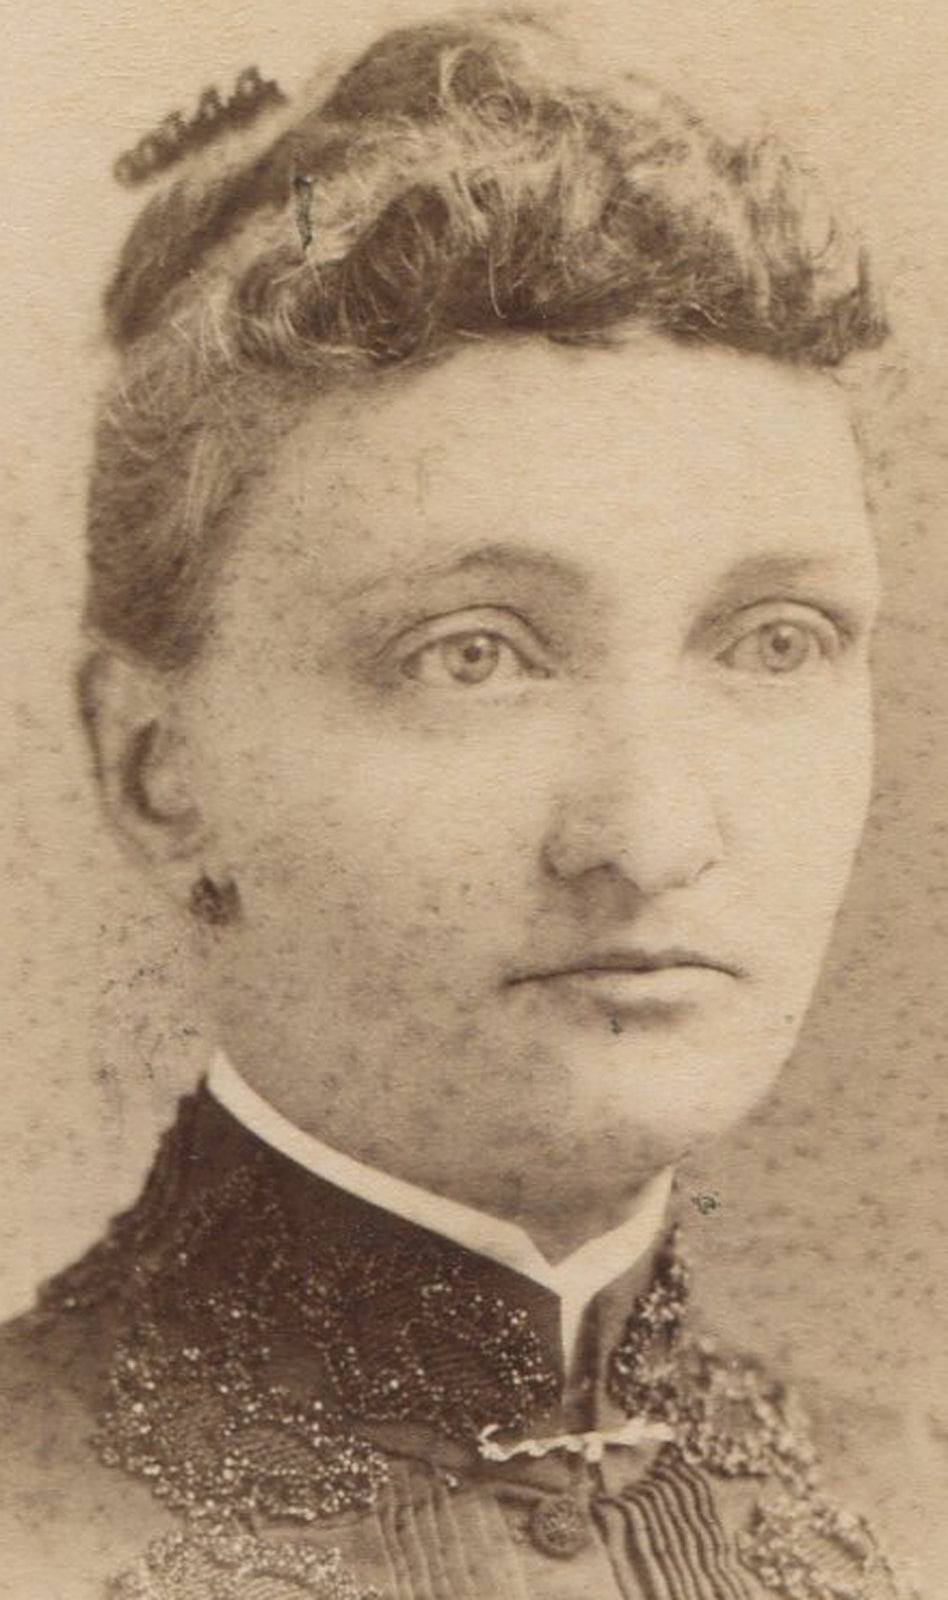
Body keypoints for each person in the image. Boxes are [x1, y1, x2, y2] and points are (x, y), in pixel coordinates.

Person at [0, 8, 920, 1597]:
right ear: (158, 769)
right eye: (473, 655)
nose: (648, 837)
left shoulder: (914, 1509)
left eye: (774, 642)